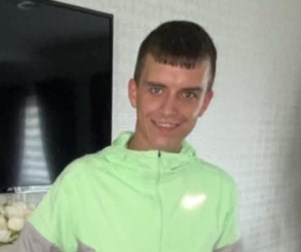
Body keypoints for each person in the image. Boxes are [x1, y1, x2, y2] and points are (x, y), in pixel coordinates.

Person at [2, 20, 242, 252]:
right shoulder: (80, 181)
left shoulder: (220, 189)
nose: (169, 109)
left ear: (205, 103)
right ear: (134, 92)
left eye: (188, 94)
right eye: (157, 90)